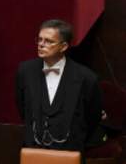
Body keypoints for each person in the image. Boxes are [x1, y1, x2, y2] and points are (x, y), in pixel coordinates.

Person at [16, 19, 104, 151]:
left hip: (70, 150)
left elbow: (93, 117)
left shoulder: (86, 77)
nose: (41, 44)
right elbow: (22, 107)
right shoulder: (25, 70)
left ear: (63, 46)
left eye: (49, 41)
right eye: (40, 39)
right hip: (33, 149)